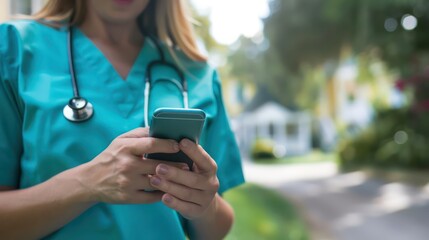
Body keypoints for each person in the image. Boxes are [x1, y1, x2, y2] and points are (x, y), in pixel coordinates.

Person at [0, 0, 245, 239]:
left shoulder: (196, 73)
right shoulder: (14, 49)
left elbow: (216, 229)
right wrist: (87, 184)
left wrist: (206, 204)